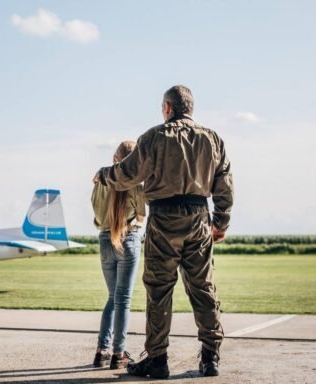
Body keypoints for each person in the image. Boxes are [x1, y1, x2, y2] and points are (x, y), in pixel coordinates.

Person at [94, 85, 234, 378]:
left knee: (159, 290)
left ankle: (157, 359)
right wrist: (220, 222)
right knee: (203, 288)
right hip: (199, 218)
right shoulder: (213, 139)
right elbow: (224, 184)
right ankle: (211, 357)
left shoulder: (154, 137)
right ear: (190, 109)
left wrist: (104, 174)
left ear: (168, 108)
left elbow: (128, 174)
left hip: (163, 219)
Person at [91, 141, 146, 370]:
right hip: (129, 240)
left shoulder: (100, 182)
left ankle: (101, 351)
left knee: (112, 298)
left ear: (115, 157)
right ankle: (118, 353)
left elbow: (96, 212)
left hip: (104, 240)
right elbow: (141, 216)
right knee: (123, 299)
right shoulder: (137, 186)